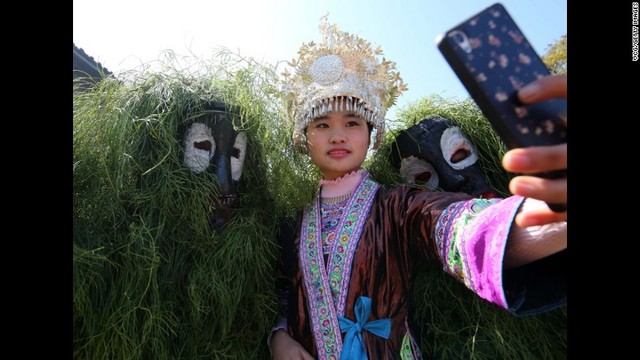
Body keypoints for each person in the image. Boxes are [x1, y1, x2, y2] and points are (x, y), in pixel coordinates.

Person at [270, 17, 567, 360]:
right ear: (304, 138)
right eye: (322, 124)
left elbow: (459, 227)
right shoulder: (292, 217)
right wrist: (279, 336)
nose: (337, 135)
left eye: (352, 122)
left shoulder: (399, 204)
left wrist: (551, 219)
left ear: (371, 134)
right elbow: (282, 292)